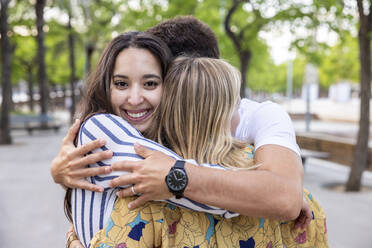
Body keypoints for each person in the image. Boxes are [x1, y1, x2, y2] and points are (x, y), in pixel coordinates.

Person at [50, 16, 310, 246]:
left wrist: (175, 178)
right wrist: (59, 172)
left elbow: (283, 198)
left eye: (152, 82)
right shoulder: (112, 128)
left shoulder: (261, 115)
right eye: (121, 83)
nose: (135, 97)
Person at [84, 56, 327, 247]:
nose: (242, 114)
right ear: (221, 114)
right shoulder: (289, 193)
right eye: (236, 104)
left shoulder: (144, 193)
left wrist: (75, 242)